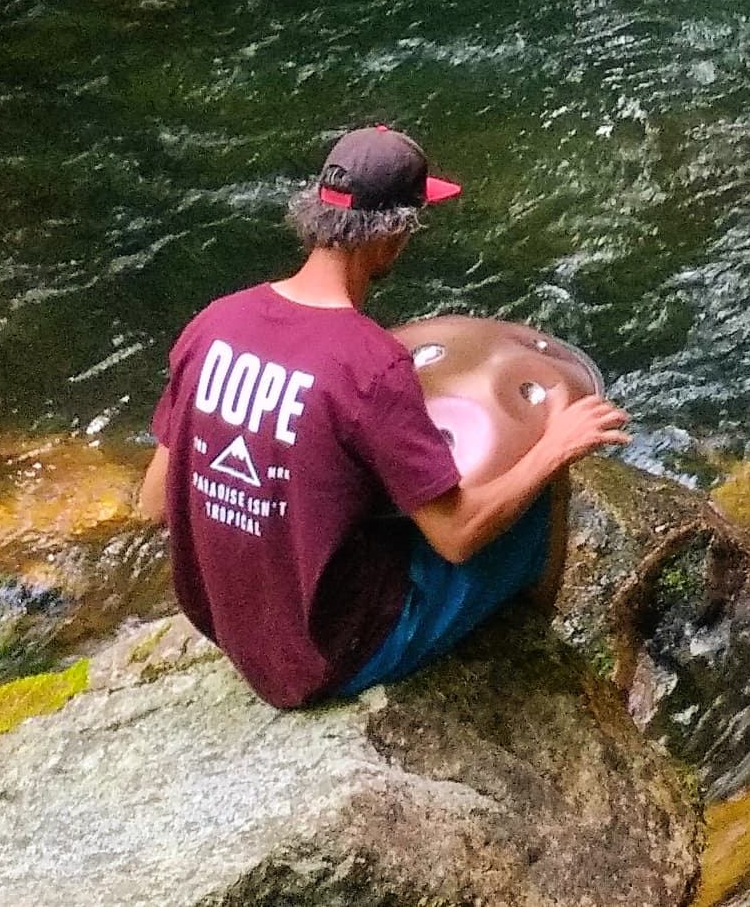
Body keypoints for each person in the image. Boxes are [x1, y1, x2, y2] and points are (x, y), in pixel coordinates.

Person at [138, 123, 626, 709]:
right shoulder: (369, 363)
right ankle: (536, 676)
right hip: (333, 651)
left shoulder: (214, 323)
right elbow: (457, 538)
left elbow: (152, 503)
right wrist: (554, 449)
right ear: (392, 236)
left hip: (231, 627)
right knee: (542, 487)